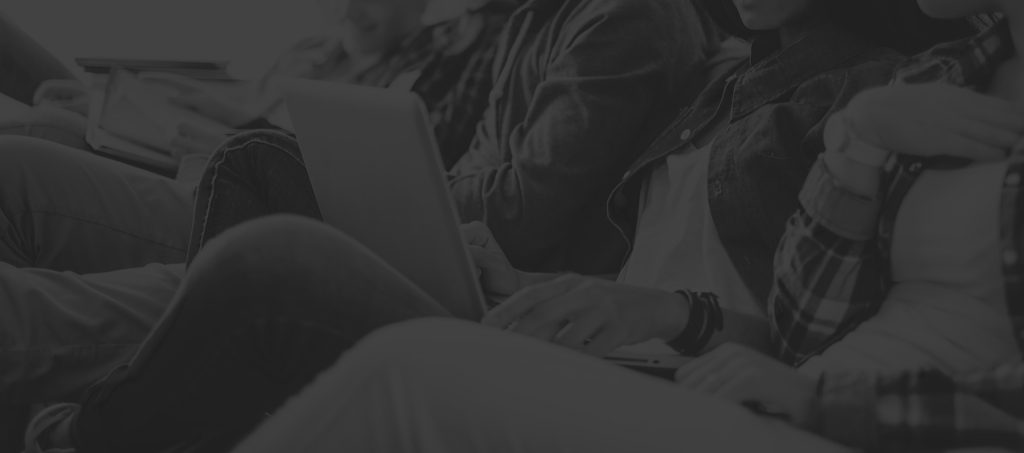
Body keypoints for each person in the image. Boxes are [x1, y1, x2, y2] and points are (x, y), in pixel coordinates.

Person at [21, 1, 976, 452]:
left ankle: (90, 430)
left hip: (670, 371)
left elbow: (798, 340)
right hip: (589, 332)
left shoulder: (865, 96)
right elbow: (634, 265)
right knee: (253, 188)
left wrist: (666, 312)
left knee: (269, 257)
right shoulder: (732, 78)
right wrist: (531, 285)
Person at [0, 0, 512, 172]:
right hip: (183, 137)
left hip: (224, 158)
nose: (351, 9)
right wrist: (103, 100)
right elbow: (239, 102)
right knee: (53, 102)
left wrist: (233, 133)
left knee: (44, 128)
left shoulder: (421, 72)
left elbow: (351, 166)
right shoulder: (313, 49)